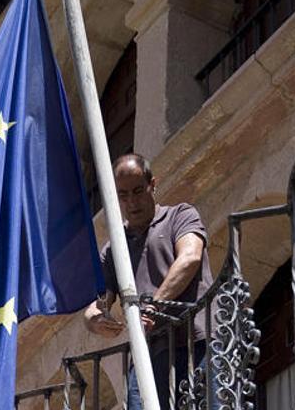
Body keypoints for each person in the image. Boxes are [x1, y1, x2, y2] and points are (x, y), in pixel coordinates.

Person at [83, 153, 217, 409]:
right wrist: (95, 321)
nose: (132, 202)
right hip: (149, 356)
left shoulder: (181, 215)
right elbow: (96, 304)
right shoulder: (114, 250)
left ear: (152, 185)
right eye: (123, 195)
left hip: (198, 341)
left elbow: (190, 258)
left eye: (138, 191)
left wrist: (153, 307)